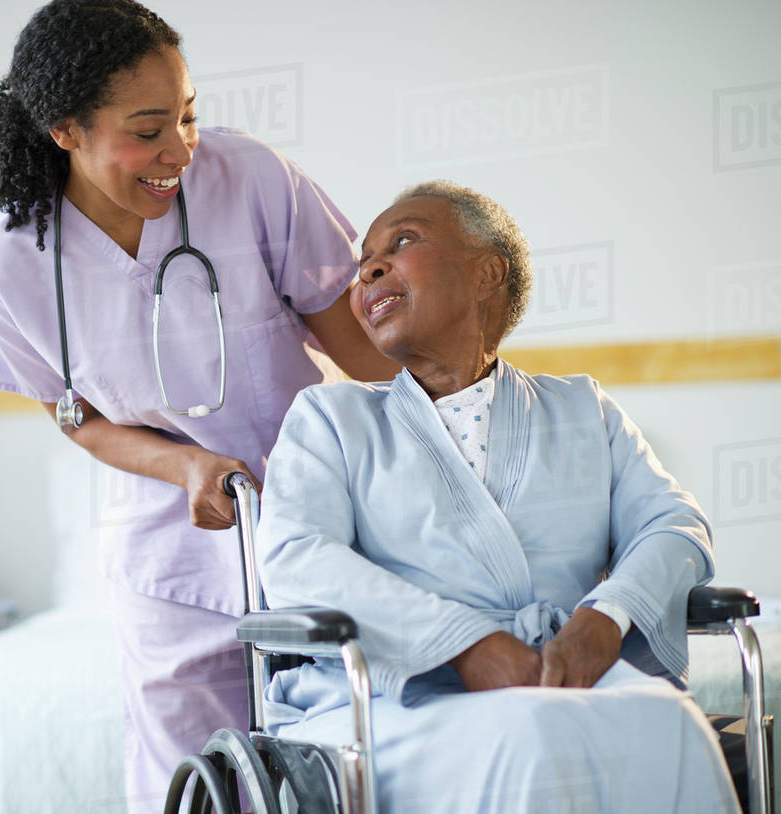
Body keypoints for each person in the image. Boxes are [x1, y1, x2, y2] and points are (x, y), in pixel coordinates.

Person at [0, 1, 396, 807]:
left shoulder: (252, 180)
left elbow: (362, 352)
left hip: (317, 526)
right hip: (167, 562)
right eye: (149, 129)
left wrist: (470, 380)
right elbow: (74, 416)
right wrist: (183, 464)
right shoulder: (11, 262)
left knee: (343, 770)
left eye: (189, 117)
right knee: (194, 786)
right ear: (66, 129)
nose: (180, 151)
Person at [256, 181, 740, 812]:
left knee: (671, 723)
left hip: (562, 678)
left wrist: (608, 615)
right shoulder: (330, 417)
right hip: (387, 699)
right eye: (361, 263)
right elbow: (296, 557)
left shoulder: (582, 409)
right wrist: (466, 645)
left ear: (487, 273)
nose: (369, 269)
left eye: (401, 241)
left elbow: (674, 525)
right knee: (531, 734)